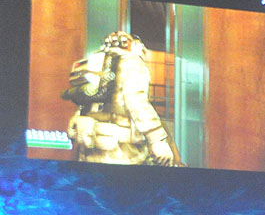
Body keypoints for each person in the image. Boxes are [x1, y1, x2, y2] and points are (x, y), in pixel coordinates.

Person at [63, 30, 179, 166]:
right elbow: (137, 103)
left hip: (90, 145)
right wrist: (157, 140)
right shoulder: (132, 63)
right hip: (120, 150)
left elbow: (85, 99)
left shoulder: (94, 62)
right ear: (134, 45)